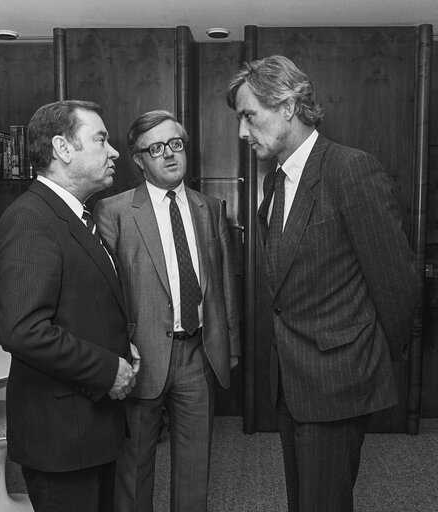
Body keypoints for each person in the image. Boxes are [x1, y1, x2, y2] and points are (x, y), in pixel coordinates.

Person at [226, 56, 421, 512]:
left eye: (249, 115)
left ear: (288, 106)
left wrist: (361, 356)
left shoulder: (350, 170)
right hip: (291, 381)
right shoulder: (276, 181)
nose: (242, 132)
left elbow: (399, 282)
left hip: (338, 381)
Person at [0, 100, 140, 512]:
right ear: (62, 148)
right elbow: (23, 330)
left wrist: (122, 349)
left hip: (89, 428)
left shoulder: (75, 217)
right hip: (62, 437)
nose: (113, 151)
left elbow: (83, 306)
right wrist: (108, 368)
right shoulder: (30, 220)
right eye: (101, 139)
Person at [95, 110, 240, 512]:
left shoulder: (209, 207)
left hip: (199, 353)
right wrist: (114, 356)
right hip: (140, 358)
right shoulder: (115, 211)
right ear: (138, 159)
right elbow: (104, 295)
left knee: (195, 468)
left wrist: (230, 344)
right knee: (135, 468)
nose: (170, 155)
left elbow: (224, 283)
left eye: (176, 144)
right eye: (155, 148)